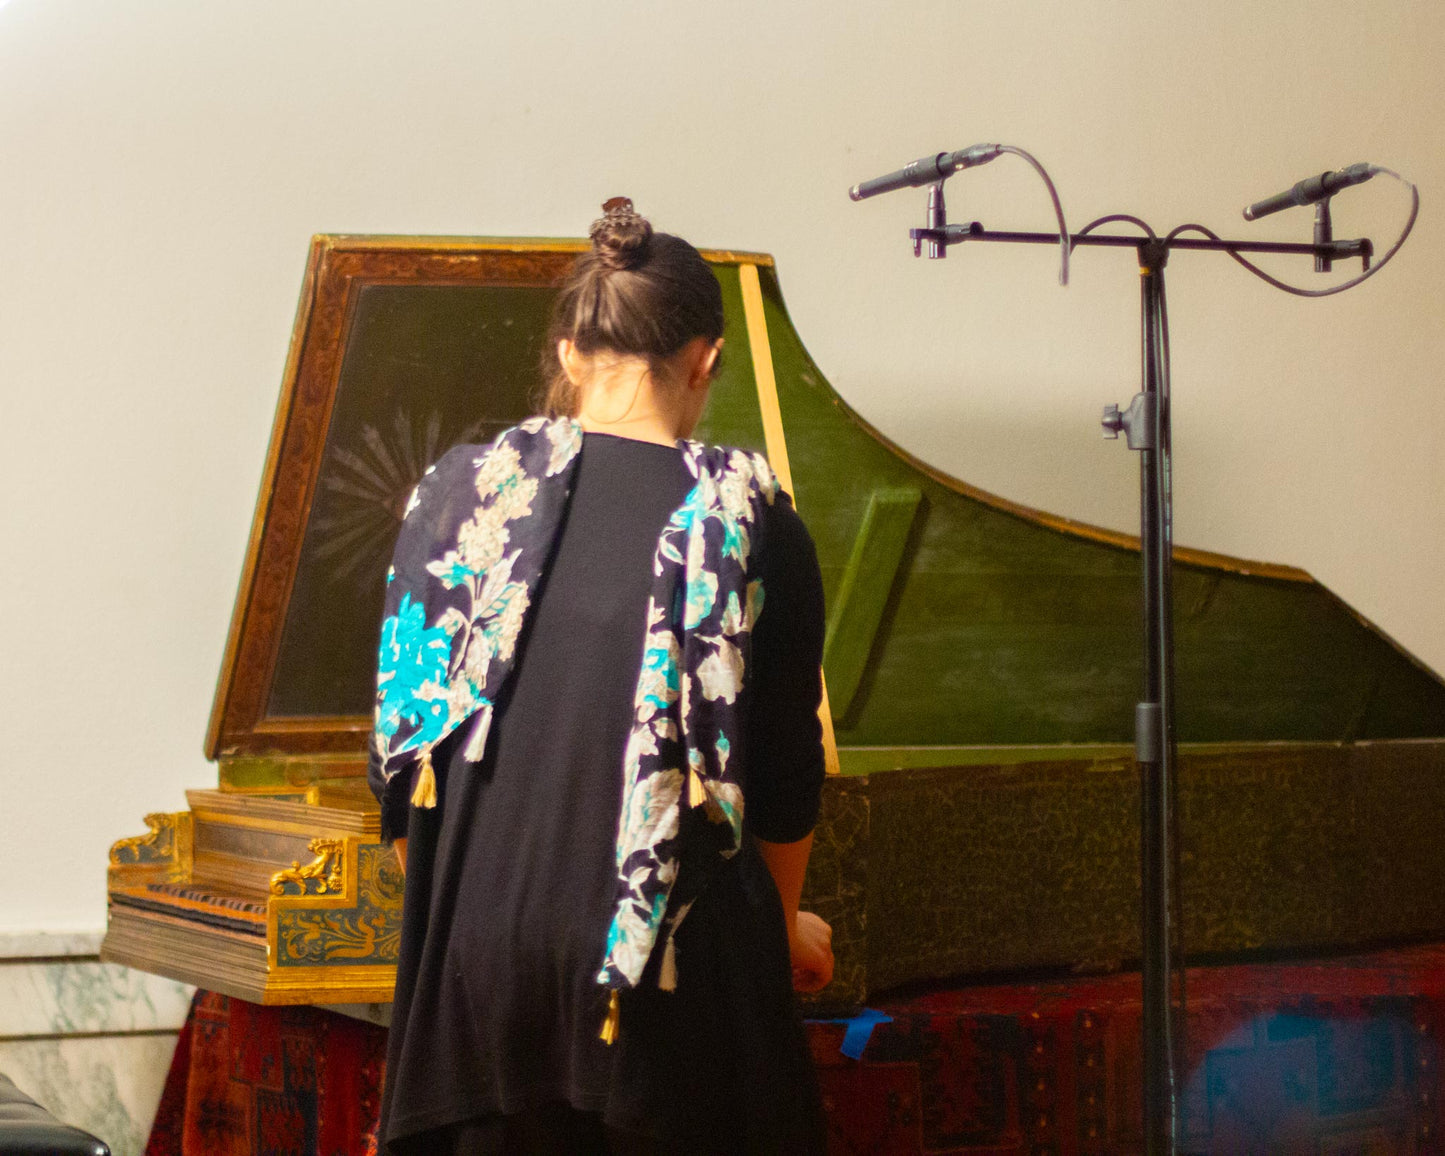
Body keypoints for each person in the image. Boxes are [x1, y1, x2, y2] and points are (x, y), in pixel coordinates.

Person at [368, 199, 833, 1155]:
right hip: (660, 981)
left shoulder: (454, 496)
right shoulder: (755, 525)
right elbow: (782, 784)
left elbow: (402, 763)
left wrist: (472, 929)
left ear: (571, 352)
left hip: (475, 975)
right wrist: (785, 932)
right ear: (707, 362)